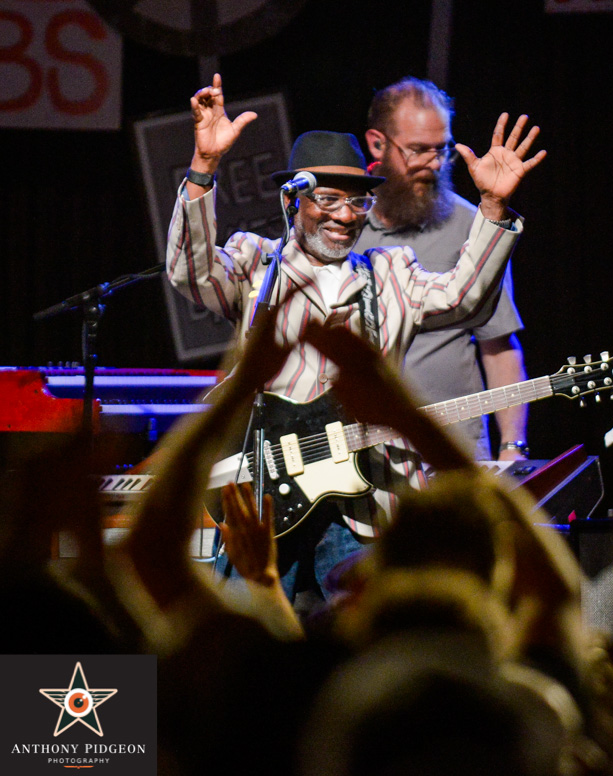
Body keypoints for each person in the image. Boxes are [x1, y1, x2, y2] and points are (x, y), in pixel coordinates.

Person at [166, 72, 545, 601]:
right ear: (293, 199)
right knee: (250, 648)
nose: (346, 215)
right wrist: (203, 169)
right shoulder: (258, 263)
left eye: (358, 202)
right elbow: (190, 270)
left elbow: (465, 298)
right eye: (329, 200)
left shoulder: (390, 272)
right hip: (267, 499)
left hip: (368, 508)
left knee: (364, 646)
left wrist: (492, 209)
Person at [355, 76, 528, 461]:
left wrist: (511, 446)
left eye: (442, 150)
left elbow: (498, 346)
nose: (433, 164)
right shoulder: (339, 227)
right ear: (377, 143)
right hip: (359, 459)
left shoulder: (476, 225)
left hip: (453, 451)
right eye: (418, 150)